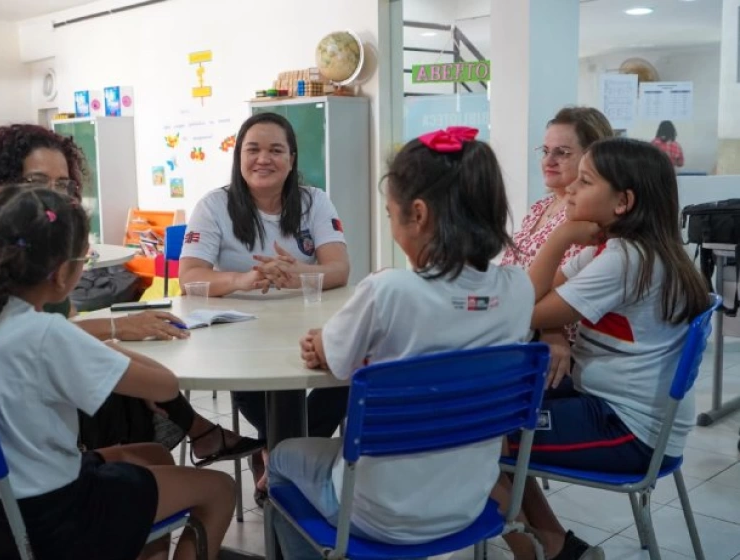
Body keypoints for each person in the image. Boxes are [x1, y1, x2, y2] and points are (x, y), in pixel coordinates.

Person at [267, 126, 535, 558]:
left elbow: (332, 358)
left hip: (378, 513)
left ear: (419, 214)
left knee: (280, 457)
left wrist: (324, 344)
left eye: (390, 215)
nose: (392, 226)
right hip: (472, 501)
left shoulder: (389, 289)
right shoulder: (519, 288)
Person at [0, 185, 236, 560]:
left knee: (155, 453)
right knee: (220, 489)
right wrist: (110, 347)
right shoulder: (47, 335)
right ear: (62, 274)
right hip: (53, 522)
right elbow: (166, 385)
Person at [0, 123, 262, 464]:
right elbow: (34, 336)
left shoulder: (2, 237)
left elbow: (53, 323)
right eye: (35, 181)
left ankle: (201, 436)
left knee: (119, 369)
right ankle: (202, 439)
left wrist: (111, 338)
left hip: (11, 420)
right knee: (133, 385)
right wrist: (118, 329)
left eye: (63, 184)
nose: (54, 194)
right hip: (27, 425)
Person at [493, 138, 710, 560]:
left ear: (623, 201)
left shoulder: (626, 260)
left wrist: (558, 238)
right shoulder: (618, 249)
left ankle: (536, 553)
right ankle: (556, 546)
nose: (570, 187)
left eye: (585, 180)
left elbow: (523, 310)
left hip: (626, 431)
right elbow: (537, 296)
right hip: (618, 410)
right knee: (493, 413)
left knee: (476, 438)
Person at [178, 112, 351, 501]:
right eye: (253, 149)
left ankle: (276, 454)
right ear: (239, 157)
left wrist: (299, 274)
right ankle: (286, 460)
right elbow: (188, 276)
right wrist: (243, 280)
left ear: (291, 159)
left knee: (347, 372)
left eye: (276, 150)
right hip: (242, 332)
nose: (263, 159)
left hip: (307, 326)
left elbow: (339, 267)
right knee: (248, 379)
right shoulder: (213, 206)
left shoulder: (315, 202)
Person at [502, 106, 613, 385]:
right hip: (520, 324)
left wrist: (551, 331)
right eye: (545, 150)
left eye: (562, 152)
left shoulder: (586, 219)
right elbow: (510, 270)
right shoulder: (541, 206)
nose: (548, 161)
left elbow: (564, 290)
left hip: (543, 340)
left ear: (593, 158)